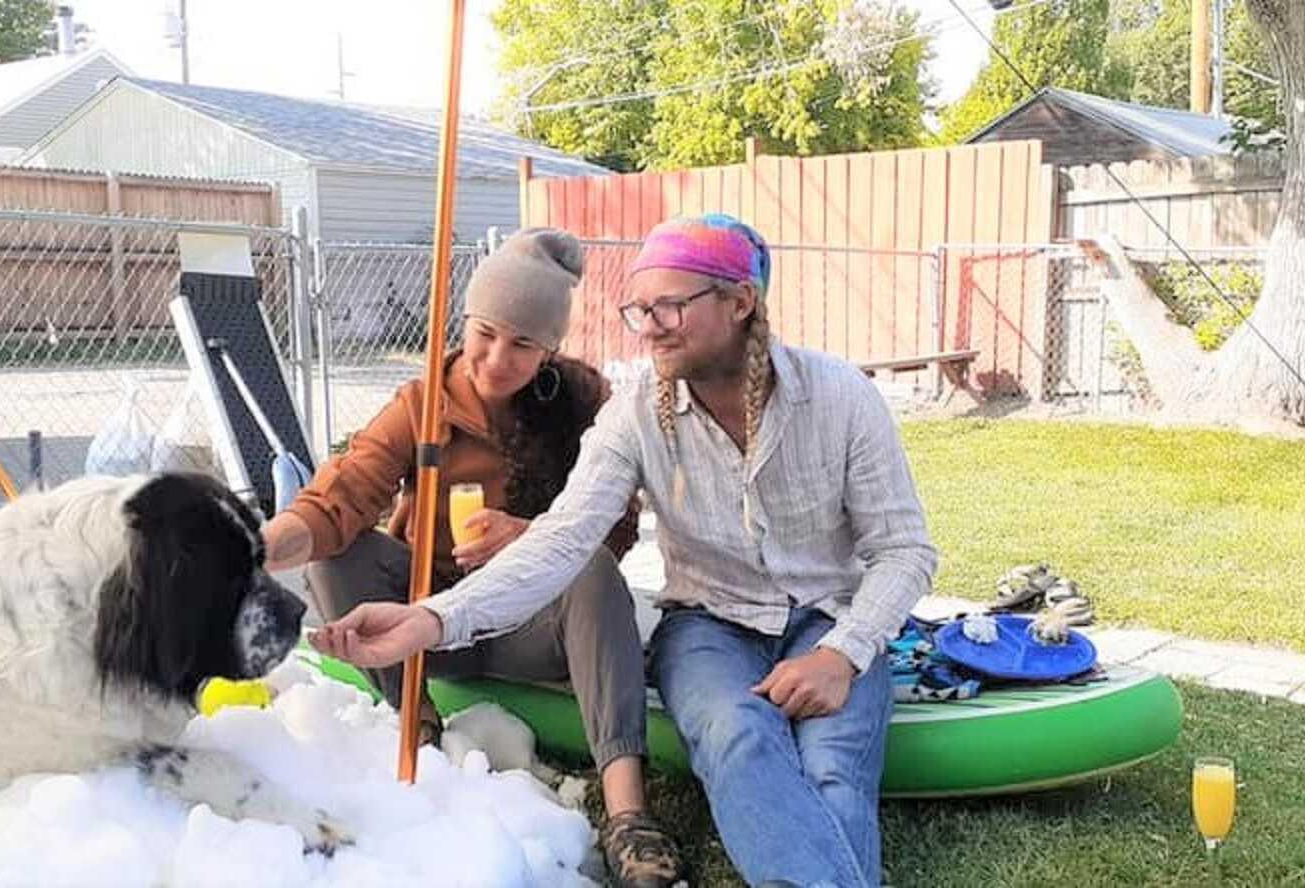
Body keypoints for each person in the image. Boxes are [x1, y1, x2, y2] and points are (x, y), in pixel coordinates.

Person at [311, 213, 938, 888]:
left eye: (668, 305)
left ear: (740, 302)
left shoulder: (839, 396)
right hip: (708, 625)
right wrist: (433, 619)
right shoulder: (636, 411)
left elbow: (904, 550)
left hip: (830, 617)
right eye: (639, 308)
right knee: (737, 735)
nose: (648, 325)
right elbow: (562, 539)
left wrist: (841, 653)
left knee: (834, 765)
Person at [262, 228, 685, 888]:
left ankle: (629, 813)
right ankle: (418, 723)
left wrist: (529, 535)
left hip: (528, 626)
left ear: (550, 347)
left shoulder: (581, 403)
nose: (495, 358)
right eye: (486, 332)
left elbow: (619, 525)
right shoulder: (421, 404)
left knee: (594, 568)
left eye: (523, 343)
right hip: (426, 624)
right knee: (338, 551)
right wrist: (258, 547)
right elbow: (343, 495)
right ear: (465, 322)